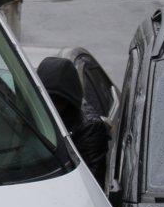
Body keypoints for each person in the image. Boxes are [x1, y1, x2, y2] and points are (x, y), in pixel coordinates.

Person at [37, 57, 110, 187]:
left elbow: (92, 183)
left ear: (67, 99)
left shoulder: (90, 127)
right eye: (44, 98)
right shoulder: (35, 113)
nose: (49, 105)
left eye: (55, 99)